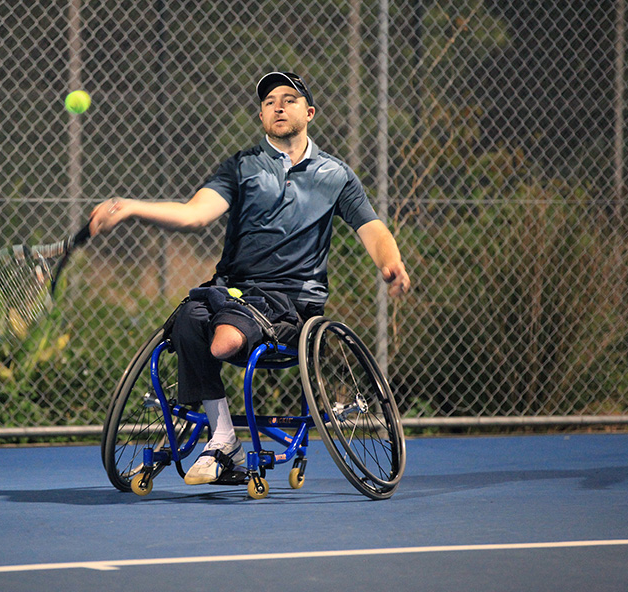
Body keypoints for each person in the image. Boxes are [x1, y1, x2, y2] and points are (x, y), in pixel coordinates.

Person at [89, 71, 410, 485]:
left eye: (290, 99)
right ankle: (224, 439)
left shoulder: (336, 175)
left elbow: (374, 229)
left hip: (292, 302)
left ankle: (221, 441)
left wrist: (391, 262)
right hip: (233, 291)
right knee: (188, 319)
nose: (279, 105)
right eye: (270, 101)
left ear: (308, 112)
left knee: (222, 339)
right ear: (261, 116)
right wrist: (131, 206)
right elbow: (195, 214)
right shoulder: (241, 167)